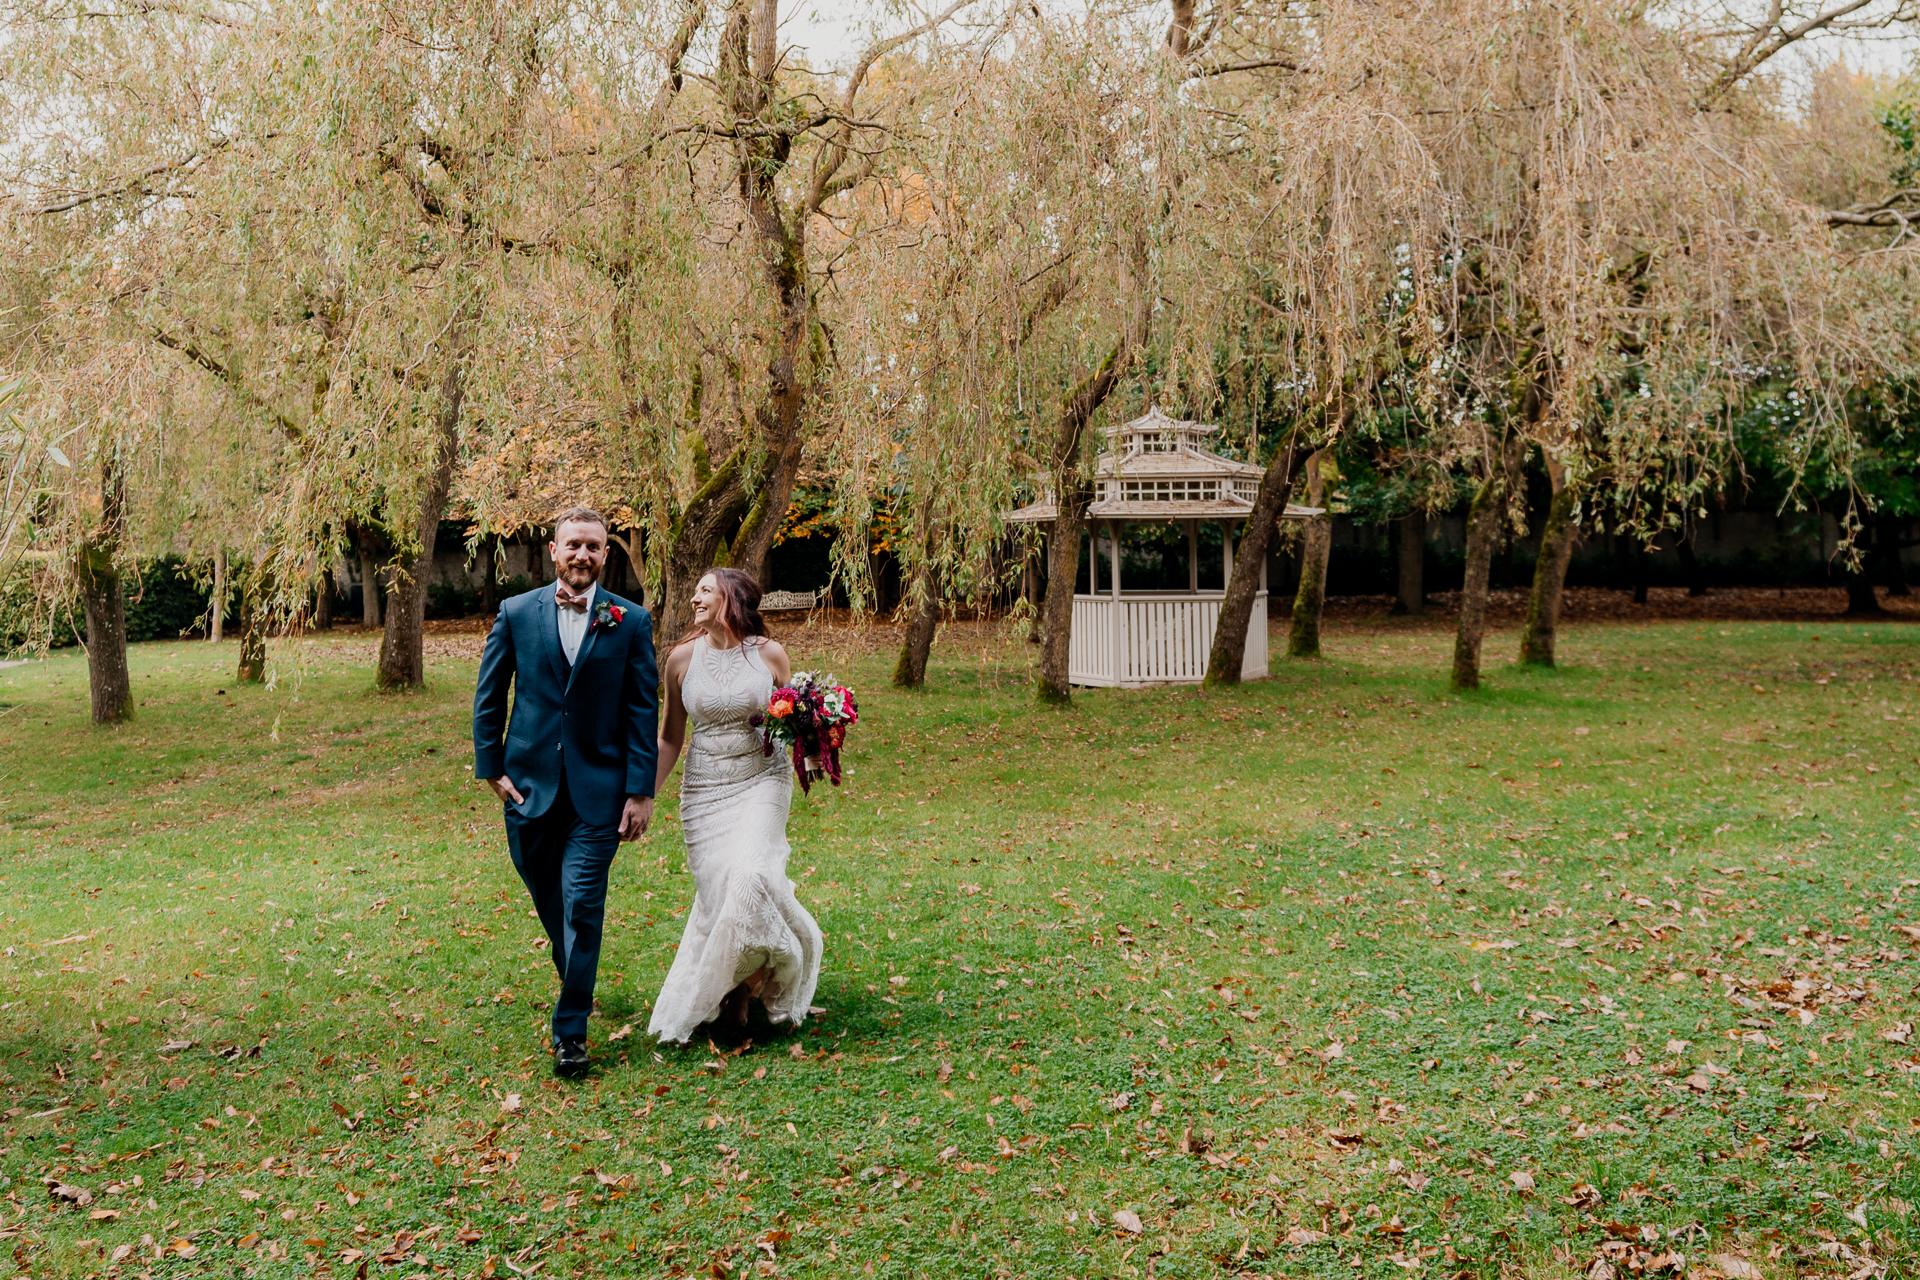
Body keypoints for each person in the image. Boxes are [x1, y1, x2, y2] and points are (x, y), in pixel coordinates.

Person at [472, 507, 657, 1078]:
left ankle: (570, 1033)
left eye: (594, 548)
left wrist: (640, 790)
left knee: (582, 905)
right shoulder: (516, 613)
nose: (583, 555)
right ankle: (577, 968)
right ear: (554, 551)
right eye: (573, 545)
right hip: (527, 790)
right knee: (551, 904)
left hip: (599, 794)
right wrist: (491, 767)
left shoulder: (631, 621)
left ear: (607, 555)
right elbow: (491, 693)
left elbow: (641, 709)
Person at [648, 568, 822, 1045]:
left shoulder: (769, 655)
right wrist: (643, 796)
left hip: (762, 780)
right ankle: (737, 986)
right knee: (720, 892)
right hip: (704, 792)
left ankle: (742, 991)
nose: (693, 599)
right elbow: (669, 737)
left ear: (732, 598)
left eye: (704, 590)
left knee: (750, 875)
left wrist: (816, 736)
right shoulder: (681, 660)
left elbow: (796, 720)